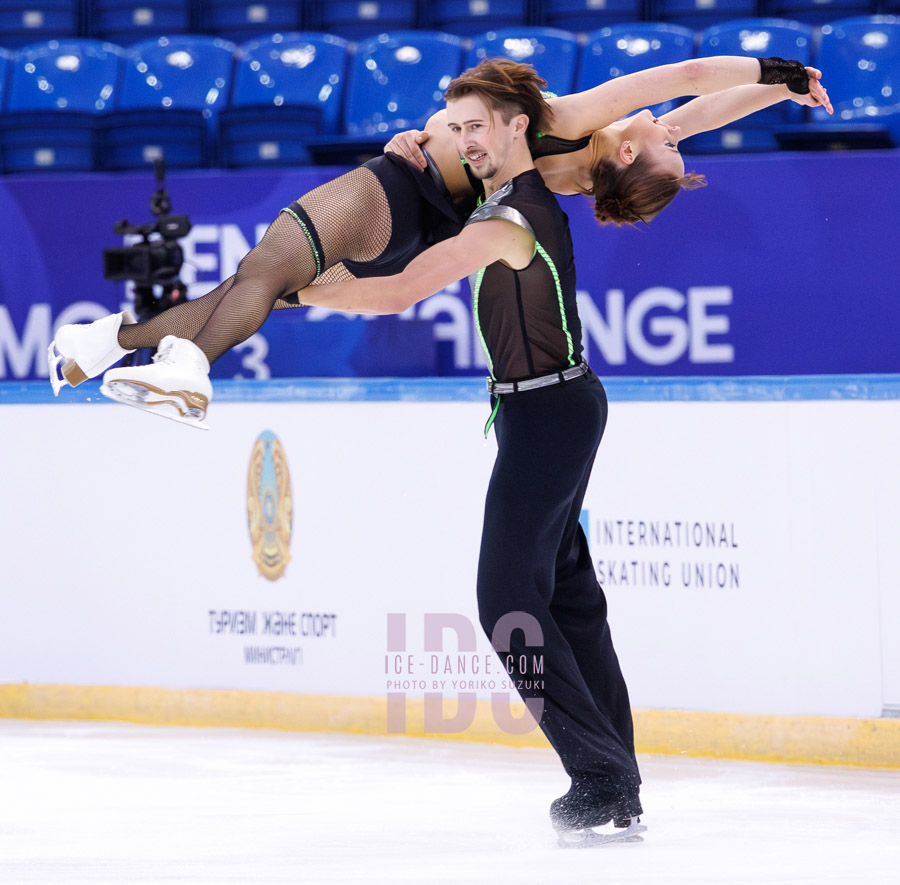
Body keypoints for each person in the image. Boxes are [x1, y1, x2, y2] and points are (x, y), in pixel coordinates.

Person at [47, 57, 830, 426]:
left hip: (402, 190)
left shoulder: (570, 121)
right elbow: (705, 107)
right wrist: (783, 90)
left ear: (630, 151)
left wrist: (774, 64)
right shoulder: (595, 171)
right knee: (256, 289)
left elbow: (684, 76)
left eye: (662, 135)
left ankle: (189, 370)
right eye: (670, 129)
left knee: (264, 266)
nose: (667, 123)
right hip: (420, 222)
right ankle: (104, 342)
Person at [284, 60, 645, 846]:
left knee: (507, 599)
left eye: (477, 127)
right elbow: (411, 225)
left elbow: (397, 291)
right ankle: (617, 773)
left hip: (548, 412)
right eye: (456, 129)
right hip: (551, 408)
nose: (464, 142)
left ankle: (599, 772)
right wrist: (411, 146)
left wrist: (301, 288)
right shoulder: (502, 201)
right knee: (570, 596)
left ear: (521, 125)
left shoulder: (510, 216)